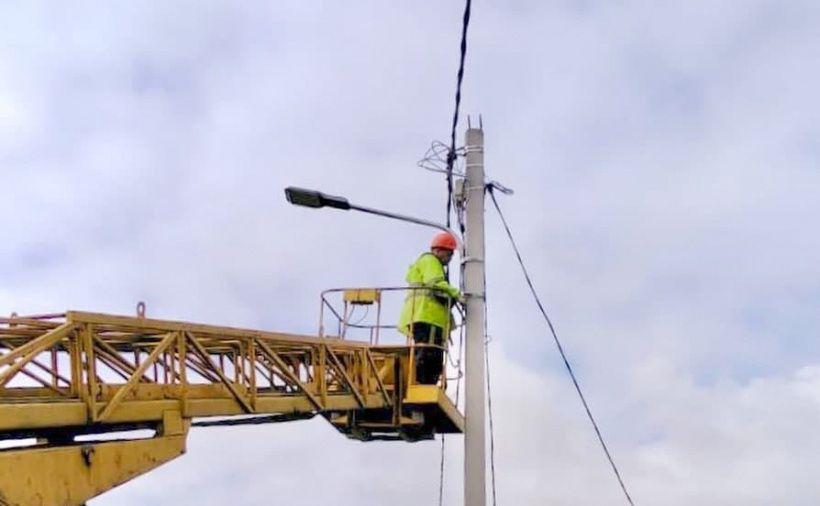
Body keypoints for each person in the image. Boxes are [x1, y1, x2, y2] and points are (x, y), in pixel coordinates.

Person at [398, 231, 462, 385]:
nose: (450, 258)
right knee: (429, 353)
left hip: (424, 317)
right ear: (439, 250)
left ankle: (424, 382)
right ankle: (422, 383)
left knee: (430, 353)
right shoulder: (431, 261)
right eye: (449, 253)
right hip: (426, 316)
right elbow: (435, 283)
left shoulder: (429, 263)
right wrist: (458, 294)